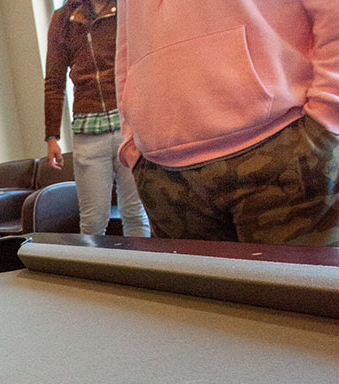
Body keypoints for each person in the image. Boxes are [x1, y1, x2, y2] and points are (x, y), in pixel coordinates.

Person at [116, 0, 339, 245]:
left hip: (284, 147)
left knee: (297, 284)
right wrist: (132, 142)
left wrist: (328, 115)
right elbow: (126, 46)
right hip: (163, 174)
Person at [44, 0, 149, 237]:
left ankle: (141, 272)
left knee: (135, 214)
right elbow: (53, 81)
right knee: (92, 221)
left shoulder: (126, 9)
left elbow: (141, 61)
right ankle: (93, 272)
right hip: (88, 130)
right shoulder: (63, 20)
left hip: (128, 125)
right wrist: (52, 136)